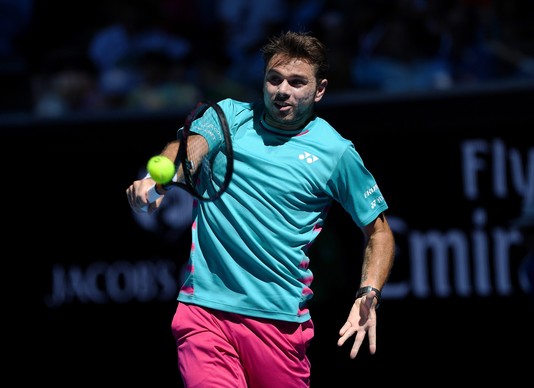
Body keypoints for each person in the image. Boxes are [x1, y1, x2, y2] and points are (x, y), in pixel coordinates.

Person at [126, 30, 395, 387]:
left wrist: (369, 293)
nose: (282, 90)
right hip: (204, 314)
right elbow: (188, 147)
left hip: (279, 324)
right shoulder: (228, 117)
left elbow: (379, 232)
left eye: (297, 82)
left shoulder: (336, 152)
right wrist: (156, 178)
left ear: (320, 90)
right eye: (274, 79)